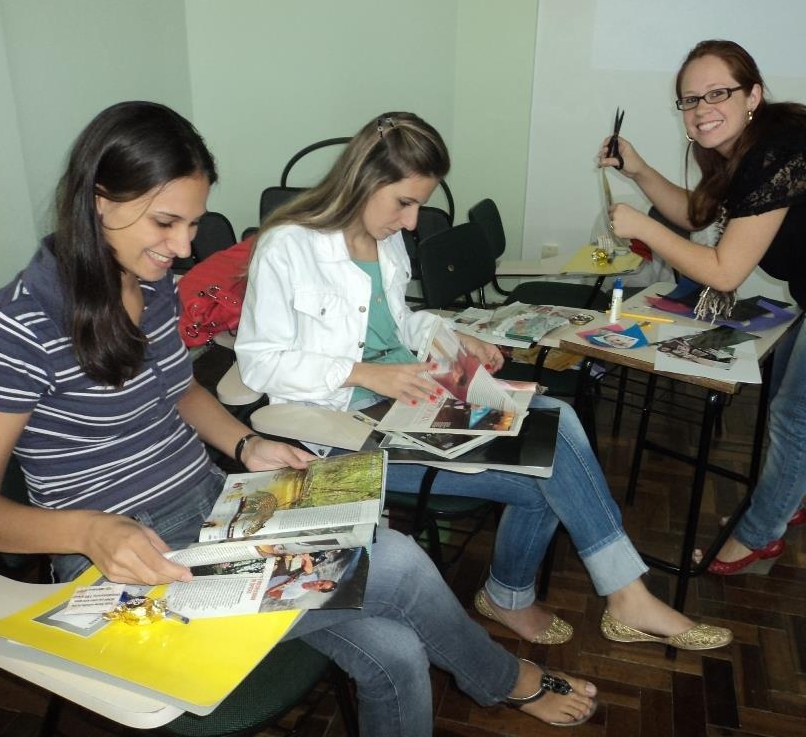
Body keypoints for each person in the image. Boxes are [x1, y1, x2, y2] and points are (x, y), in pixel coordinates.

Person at [0, 101, 601, 733]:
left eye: (193, 224)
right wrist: (89, 531)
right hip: (122, 569)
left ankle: (496, 678)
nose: (183, 246)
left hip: (212, 511)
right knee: (396, 564)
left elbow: (180, 392)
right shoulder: (11, 329)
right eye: (166, 222)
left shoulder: (148, 283)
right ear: (98, 201)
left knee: (398, 652)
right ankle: (508, 681)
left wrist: (245, 444)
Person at [234, 111, 732, 652]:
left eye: (418, 205)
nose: (411, 221)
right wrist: (366, 373)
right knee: (552, 463)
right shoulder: (288, 246)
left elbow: (398, 323)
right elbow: (260, 362)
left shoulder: (386, 241)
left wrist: (450, 335)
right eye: (404, 202)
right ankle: (579, 595)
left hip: (413, 397)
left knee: (552, 452)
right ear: (363, 179)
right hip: (341, 429)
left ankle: (560, 596)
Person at [598, 40, 806, 574]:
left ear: (752, 95)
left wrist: (643, 226)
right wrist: (638, 169)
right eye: (690, 100)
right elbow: (696, 215)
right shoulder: (747, 151)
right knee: (786, 394)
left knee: (798, 415)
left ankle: (758, 536)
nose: (702, 109)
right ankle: (784, 498)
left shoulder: (779, 152)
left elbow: (724, 271)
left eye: (718, 93)